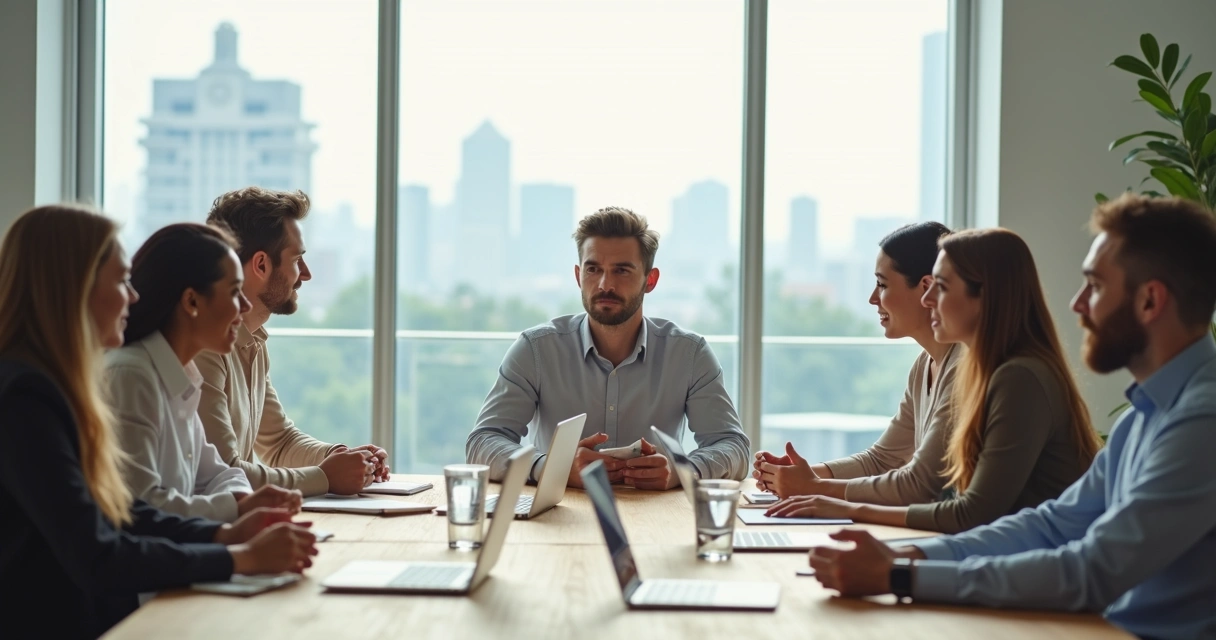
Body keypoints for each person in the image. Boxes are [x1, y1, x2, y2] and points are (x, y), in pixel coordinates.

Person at [806, 194, 1216, 640]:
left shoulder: (1202, 421)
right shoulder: (1143, 417)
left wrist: (900, 576)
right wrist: (908, 559)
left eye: (1094, 286)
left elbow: (1092, 569)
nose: (1077, 304)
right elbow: (1054, 524)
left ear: (1149, 302)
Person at [0, 205, 318, 639]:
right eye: (119, 281)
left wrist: (226, 535)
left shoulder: (53, 386)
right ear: (71, 289)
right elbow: (98, 552)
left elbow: (128, 514)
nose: (132, 296)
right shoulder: (25, 398)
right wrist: (238, 555)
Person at [767, 227, 1101, 533]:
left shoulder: (1017, 377)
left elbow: (963, 509)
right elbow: (886, 460)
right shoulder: (966, 368)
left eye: (940, 288)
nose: (928, 300)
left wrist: (828, 496)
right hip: (1008, 557)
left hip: (1035, 571)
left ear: (984, 297)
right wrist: (812, 480)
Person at [466, 206, 750, 488]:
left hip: (657, 520)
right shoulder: (536, 350)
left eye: (622, 271)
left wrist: (683, 470)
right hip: (559, 517)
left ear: (650, 280)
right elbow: (483, 443)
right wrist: (549, 468)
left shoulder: (689, 354)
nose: (605, 284)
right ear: (578, 276)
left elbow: (732, 446)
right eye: (593, 269)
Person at [197, 187, 389, 497]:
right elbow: (224, 473)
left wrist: (341, 458)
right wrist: (324, 478)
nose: (306, 274)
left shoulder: (253, 341)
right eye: (298, 259)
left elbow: (280, 442)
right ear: (261, 265)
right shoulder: (204, 346)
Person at [753, 221, 960, 506]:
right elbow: (882, 459)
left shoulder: (963, 369)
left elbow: (919, 484)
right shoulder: (923, 365)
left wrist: (815, 486)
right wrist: (799, 475)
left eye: (882, 284)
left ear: (925, 288)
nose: (873, 298)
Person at [106, 223, 302, 522]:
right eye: (235, 292)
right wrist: (238, 509)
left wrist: (244, 500)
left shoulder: (180, 375)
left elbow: (216, 475)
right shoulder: (133, 376)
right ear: (192, 301)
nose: (245, 305)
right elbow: (142, 507)